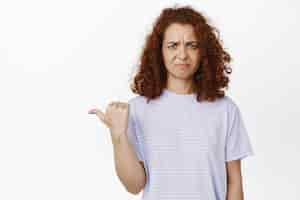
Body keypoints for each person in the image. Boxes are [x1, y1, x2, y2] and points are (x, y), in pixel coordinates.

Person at [89, 5, 254, 200]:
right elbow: (134, 185)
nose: (182, 55)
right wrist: (118, 137)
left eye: (192, 45)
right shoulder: (138, 110)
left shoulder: (225, 110)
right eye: (173, 45)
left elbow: (234, 181)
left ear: (203, 52)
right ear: (159, 51)